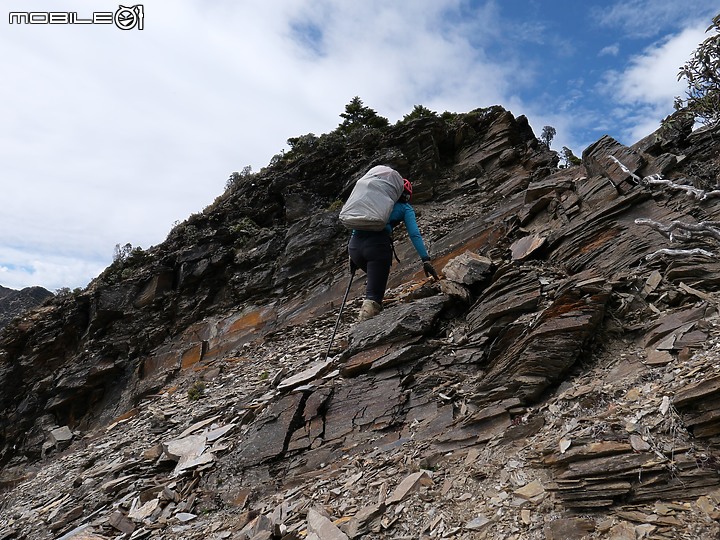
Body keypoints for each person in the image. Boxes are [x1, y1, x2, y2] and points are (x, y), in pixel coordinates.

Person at [348, 172, 439, 321]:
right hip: (377, 248)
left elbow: (357, 224)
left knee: (374, 285)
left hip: (355, 247)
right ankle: (365, 332)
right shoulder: (405, 208)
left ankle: (369, 320)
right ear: (407, 195)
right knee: (373, 298)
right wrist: (425, 259)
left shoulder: (375, 201)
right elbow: (414, 234)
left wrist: (352, 256)